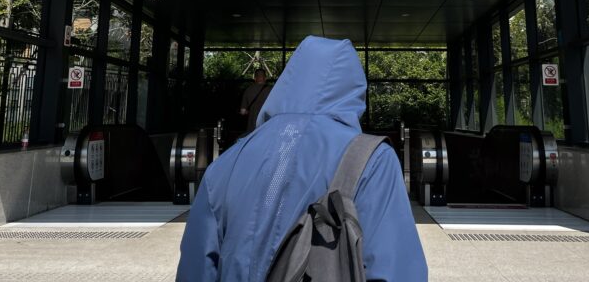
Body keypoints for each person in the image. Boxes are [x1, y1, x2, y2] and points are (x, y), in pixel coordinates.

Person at [177, 36, 428, 282]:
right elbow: (397, 270)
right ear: (353, 89)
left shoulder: (226, 163)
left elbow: (196, 269)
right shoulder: (373, 161)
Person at [239, 68, 272, 133]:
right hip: (266, 125)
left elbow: (242, 111)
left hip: (252, 126)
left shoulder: (248, 90)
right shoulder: (271, 90)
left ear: (254, 78)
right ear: (265, 78)